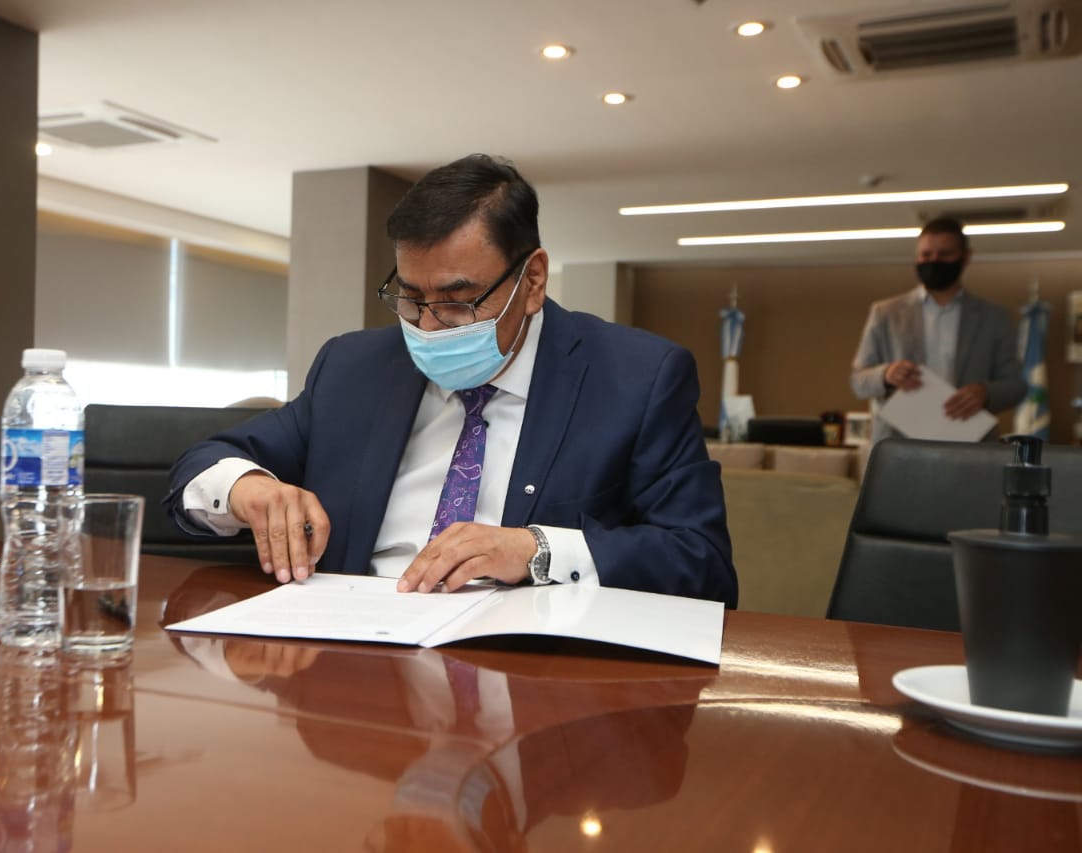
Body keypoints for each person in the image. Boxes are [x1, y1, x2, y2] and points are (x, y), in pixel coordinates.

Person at [167, 154, 735, 604]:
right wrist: (248, 489)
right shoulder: (354, 367)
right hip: (354, 651)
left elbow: (701, 561)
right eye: (411, 297)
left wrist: (537, 551)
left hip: (531, 674)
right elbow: (205, 463)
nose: (429, 326)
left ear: (533, 279)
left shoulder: (636, 378)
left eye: (459, 300)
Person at [850, 217, 1025, 443]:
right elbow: (858, 381)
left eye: (945, 254)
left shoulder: (995, 317)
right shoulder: (885, 313)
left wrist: (986, 392)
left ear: (966, 257)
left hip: (970, 443)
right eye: (926, 255)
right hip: (899, 445)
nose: (934, 261)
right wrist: (885, 374)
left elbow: (1016, 385)